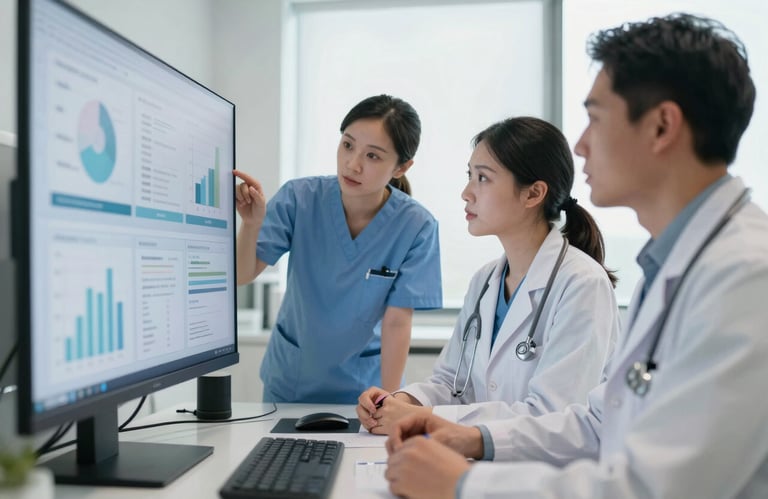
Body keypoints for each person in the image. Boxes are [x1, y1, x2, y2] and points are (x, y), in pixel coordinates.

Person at [384, 13, 768, 498]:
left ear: (662, 126)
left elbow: (664, 488)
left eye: (596, 118)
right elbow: (599, 420)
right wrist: (470, 436)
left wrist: (465, 485)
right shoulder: (673, 265)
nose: (581, 145)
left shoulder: (746, 275)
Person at [357, 117, 620, 434]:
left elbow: (552, 416)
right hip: (484, 464)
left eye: (483, 178)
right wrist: (400, 402)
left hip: (553, 474)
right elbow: (451, 383)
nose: (466, 193)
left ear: (533, 193)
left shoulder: (582, 285)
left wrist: (425, 419)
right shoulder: (485, 281)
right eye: (470, 175)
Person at [234, 94, 442, 403]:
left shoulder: (417, 226)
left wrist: (388, 399)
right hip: (291, 382)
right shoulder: (299, 198)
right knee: (275, 454)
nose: (352, 164)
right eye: (348, 145)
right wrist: (250, 225)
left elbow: (397, 322)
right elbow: (241, 275)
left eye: (373, 156)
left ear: (401, 167)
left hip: (363, 391)